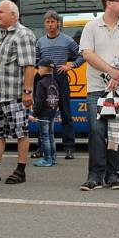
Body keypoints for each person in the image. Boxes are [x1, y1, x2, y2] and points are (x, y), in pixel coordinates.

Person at [78, 0, 119, 190]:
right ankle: (94, 175)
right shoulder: (92, 27)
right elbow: (87, 53)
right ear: (109, 3)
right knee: (97, 131)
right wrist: (110, 71)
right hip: (97, 87)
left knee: (117, 132)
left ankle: (113, 175)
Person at [0, 0, 37, 185]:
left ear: (14, 15)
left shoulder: (23, 34)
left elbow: (29, 65)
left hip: (15, 96)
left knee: (21, 133)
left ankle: (21, 171)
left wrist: (27, 92)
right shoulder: (4, 35)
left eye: (1, 12)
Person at [34, 9, 84, 160]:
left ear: (58, 23)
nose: (50, 25)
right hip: (43, 80)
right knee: (43, 114)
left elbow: (83, 55)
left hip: (60, 77)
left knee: (65, 113)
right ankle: (41, 148)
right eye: (47, 22)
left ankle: (69, 148)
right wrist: (39, 71)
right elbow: (36, 61)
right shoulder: (40, 42)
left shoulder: (67, 40)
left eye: (52, 22)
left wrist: (71, 66)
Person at [32, 58, 59, 167]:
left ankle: (47, 159)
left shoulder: (41, 83)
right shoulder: (55, 82)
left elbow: (39, 101)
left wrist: (34, 113)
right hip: (52, 111)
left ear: (43, 68)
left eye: (38, 67)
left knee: (45, 137)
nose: (38, 70)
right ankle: (53, 158)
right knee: (51, 136)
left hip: (43, 112)